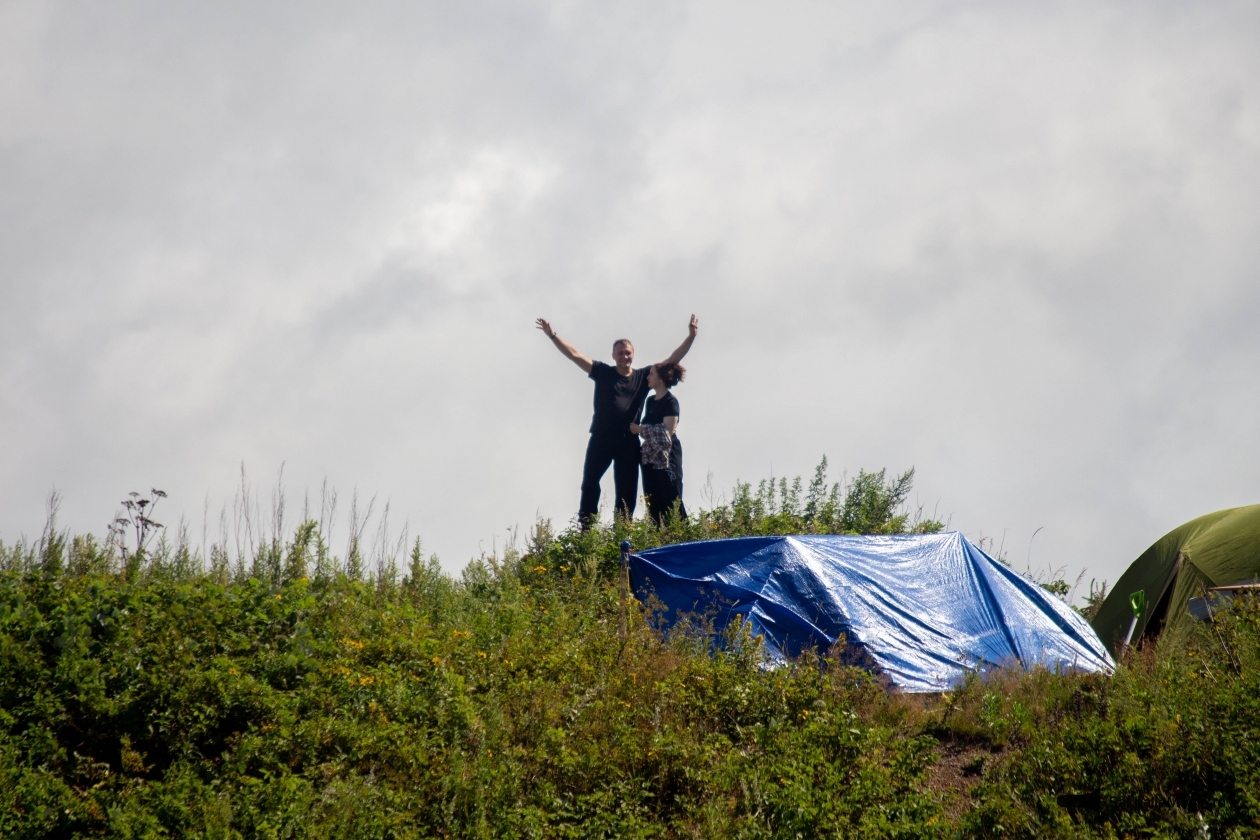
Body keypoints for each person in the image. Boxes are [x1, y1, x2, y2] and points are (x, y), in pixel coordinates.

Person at [536, 314, 698, 526]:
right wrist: (552, 335)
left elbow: (673, 359)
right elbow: (575, 355)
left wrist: (691, 336)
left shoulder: (642, 378)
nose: (625, 356)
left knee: (626, 490)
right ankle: (586, 526)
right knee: (590, 482)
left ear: (633, 355)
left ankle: (622, 530)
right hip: (601, 438)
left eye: (628, 353)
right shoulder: (603, 372)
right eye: (620, 353)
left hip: (627, 442)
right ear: (613, 355)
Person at [631, 363, 687, 526]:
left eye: (651, 374)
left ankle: (682, 536)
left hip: (667, 455)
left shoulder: (671, 402)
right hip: (649, 456)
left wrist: (641, 429)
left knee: (671, 497)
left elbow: (667, 431)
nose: (648, 377)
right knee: (653, 500)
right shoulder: (650, 401)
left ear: (661, 379)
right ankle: (657, 538)